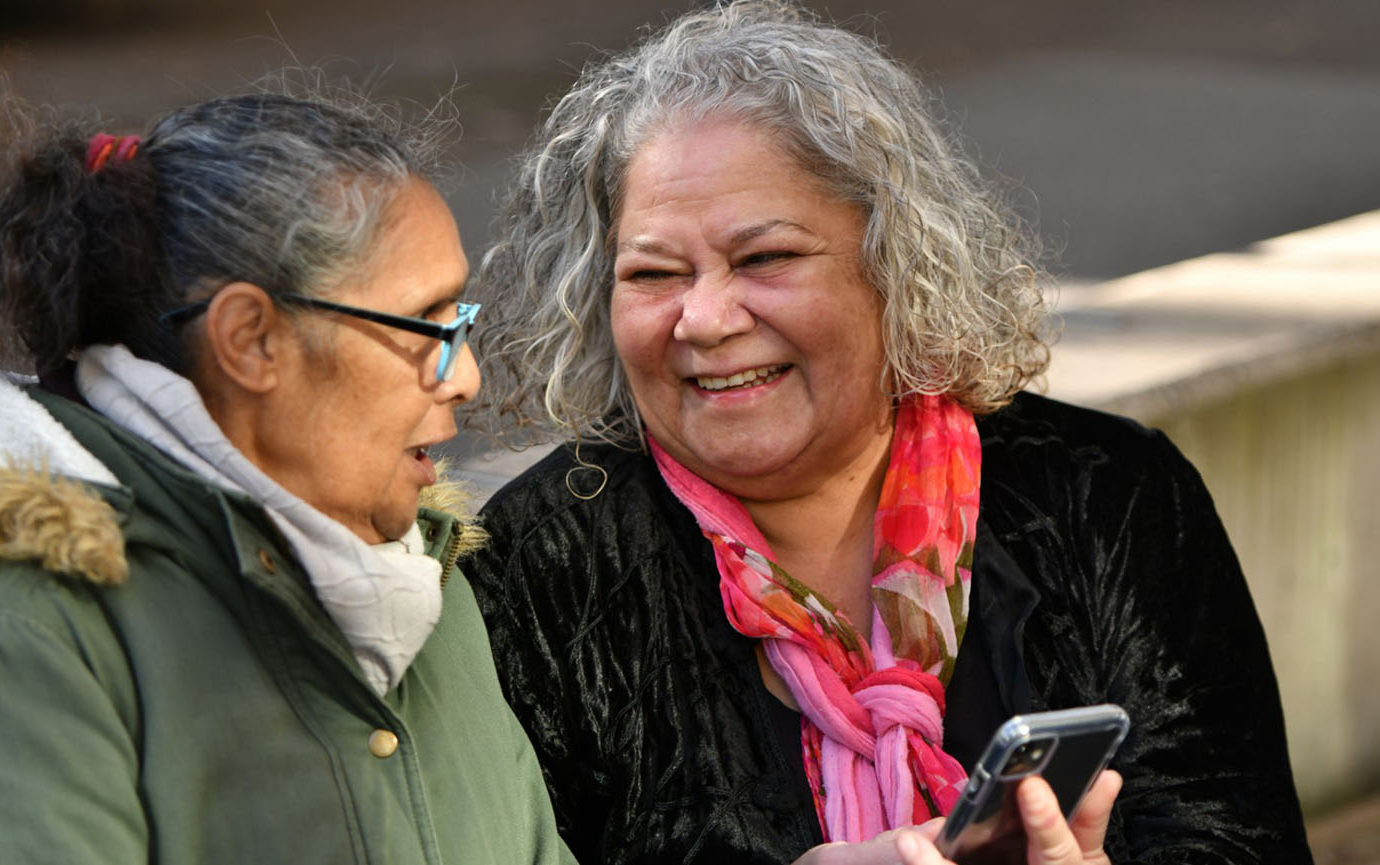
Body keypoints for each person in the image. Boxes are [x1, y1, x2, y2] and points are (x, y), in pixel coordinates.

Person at [463, 2, 1312, 863]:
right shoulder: (539, 570)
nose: (706, 319)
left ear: (894, 264)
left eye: (765, 259)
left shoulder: (1111, 496)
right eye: (653, 273)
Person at [0, 87, 576, 864]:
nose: (465, 375)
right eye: (429, 325)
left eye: (461, 321)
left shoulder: (423, 574)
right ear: (251, 340)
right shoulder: (15, 626)